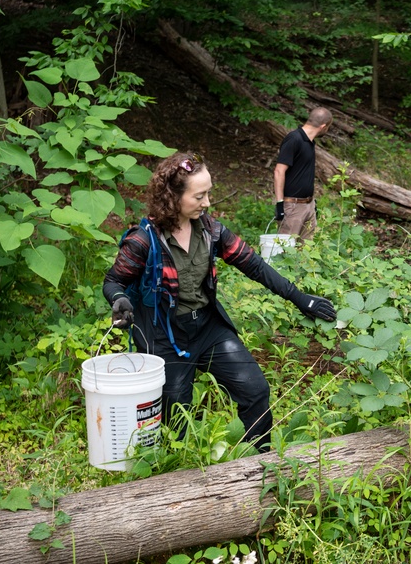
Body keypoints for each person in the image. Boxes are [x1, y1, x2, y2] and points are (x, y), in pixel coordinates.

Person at [103, 152, 337, 452]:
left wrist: (301, 299)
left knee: (255, 390)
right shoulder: (143, 241)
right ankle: (178, 477)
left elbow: (254, 266)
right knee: (177, 414)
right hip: (164, 336)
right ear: (172, 197)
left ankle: (261, 462)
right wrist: (120, 299)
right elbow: (113, 281)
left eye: (208, 193)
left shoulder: (212, 231)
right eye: (199, 196)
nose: (207, 202)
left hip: (208, 328)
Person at [273, 107, 333, 240]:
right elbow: (279, 171)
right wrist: (279, 203)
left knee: (305, 251)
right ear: (323, 126)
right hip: (292, 206)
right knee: (286, 249)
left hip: (308, 205)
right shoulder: (294, 139)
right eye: (328, 127)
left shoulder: (310, 143)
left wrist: (311, 202)